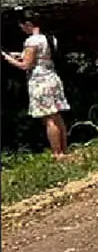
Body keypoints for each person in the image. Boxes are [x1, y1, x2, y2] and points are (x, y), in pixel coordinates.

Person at [4, 9, 71, 160]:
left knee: (49, 119)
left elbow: (26, 65)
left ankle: (57, 153)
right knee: (57, 116)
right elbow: (41, 57)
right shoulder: (50, 38)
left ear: (28, 24)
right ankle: (64, 150)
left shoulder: (31, 41)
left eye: (22, 26)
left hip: (40, 82)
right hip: (52, 78)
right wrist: (17, 54)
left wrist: (7, 59)